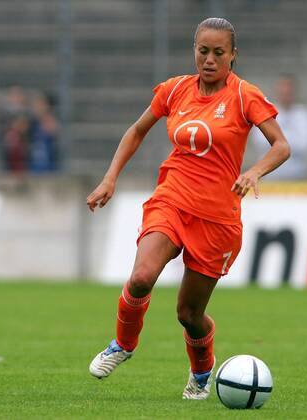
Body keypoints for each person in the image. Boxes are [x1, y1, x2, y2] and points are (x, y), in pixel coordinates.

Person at [85, 17, 290, 400]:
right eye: (203, 51)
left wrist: (253, 172)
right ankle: (123, 344)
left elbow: (281, 146)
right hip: (172, 199)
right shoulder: (175, 89)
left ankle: (201, 372)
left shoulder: (244, 95)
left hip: (217, 219)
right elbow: (136, 130)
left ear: (233, 55)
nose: (209, 59)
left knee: (189, 314)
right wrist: (110, 178)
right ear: (194, 50)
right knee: (141, 277)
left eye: (218, 53)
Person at [252, 74, 307, 179]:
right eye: (283, 89)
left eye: (288, 89)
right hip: (270, 175)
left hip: (297, 175)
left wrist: (277, 140)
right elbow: (260, 141)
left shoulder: (303, 114)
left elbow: (306, 144)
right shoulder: (266, 111)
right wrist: (289, 139)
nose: (285, 93)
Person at [28, 91, 58, 172]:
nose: (37, 107)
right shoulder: (33, 123)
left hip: (49, 168)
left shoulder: (51, 122)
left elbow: (52, 132)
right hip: (34, 168)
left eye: (40, 104)